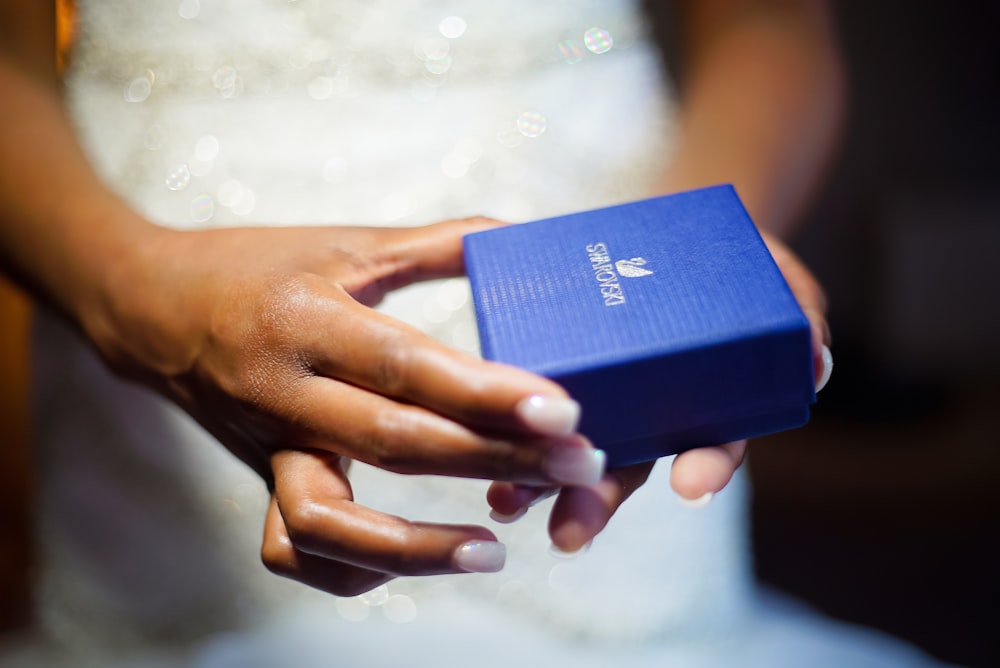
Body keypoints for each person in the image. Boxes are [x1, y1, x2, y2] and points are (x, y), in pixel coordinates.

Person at [0, 1, 951, 666]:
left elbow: (766, 20)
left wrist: (695, 260)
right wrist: (133, 293)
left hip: (600, 259)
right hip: (142, 280)